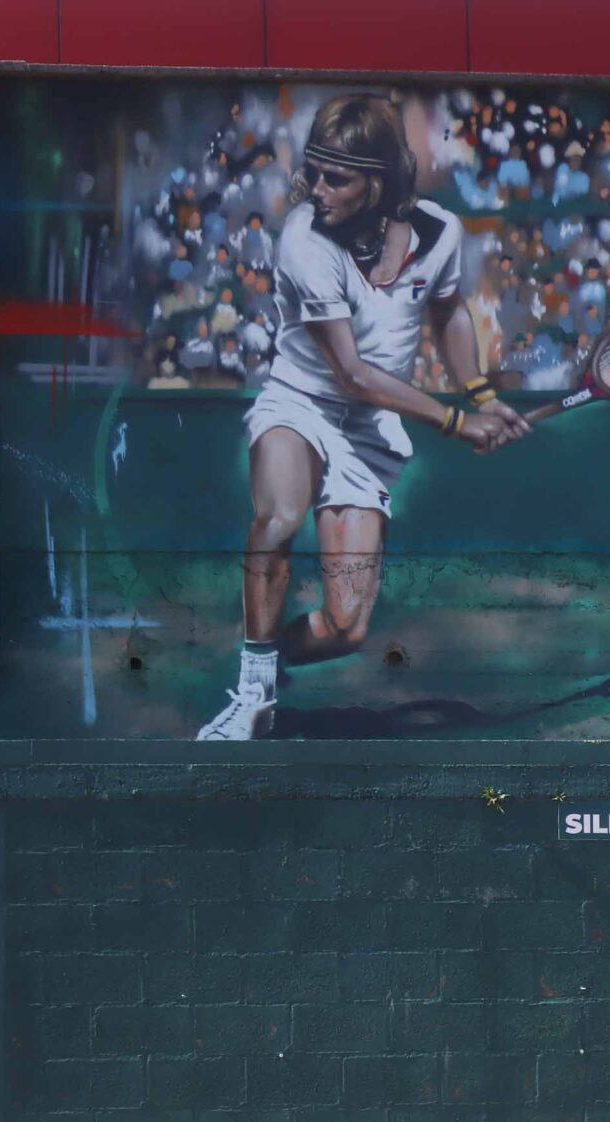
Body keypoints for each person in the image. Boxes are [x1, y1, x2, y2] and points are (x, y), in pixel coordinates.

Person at [195, 93, 528, 740]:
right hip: (300, 401)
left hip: (369, 433)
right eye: (314, 170)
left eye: (336, 176)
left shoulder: (440, 234)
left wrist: (482, 395)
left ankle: (268, 664)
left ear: (378, 182)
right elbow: (351, 373)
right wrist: (457, 423)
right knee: (280, 514)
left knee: (346, 628)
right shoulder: (304, 238)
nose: (316, 187)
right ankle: (251, 699)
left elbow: (447, 312)